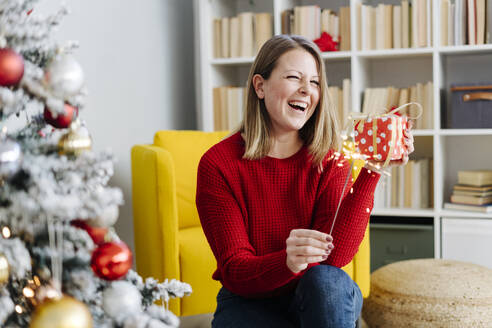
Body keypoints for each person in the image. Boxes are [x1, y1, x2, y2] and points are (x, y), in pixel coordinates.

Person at [196, 35, 414, 328]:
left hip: (317, 295)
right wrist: (286, 261)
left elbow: (336, 257)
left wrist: (374, 168)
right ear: (259, 86)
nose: (306, 90)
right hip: (250, 298)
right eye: (293, 77)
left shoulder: (329, 159)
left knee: (327, 282)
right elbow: (235, 269)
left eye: (314, 82)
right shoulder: (218, 165)